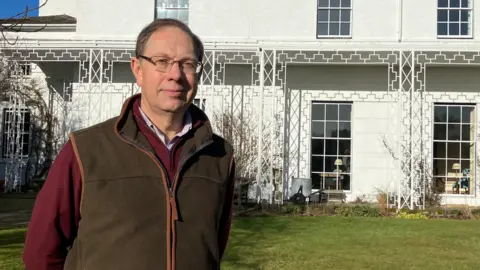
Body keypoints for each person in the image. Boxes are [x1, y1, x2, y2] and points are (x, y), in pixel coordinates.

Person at [22, 18, 236, 270]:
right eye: (162, 61)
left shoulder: (220, 155)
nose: (175, 75)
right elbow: (42, 252)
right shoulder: (85, 150)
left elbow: (212, 247)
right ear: (138, 70)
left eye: (187, 64)